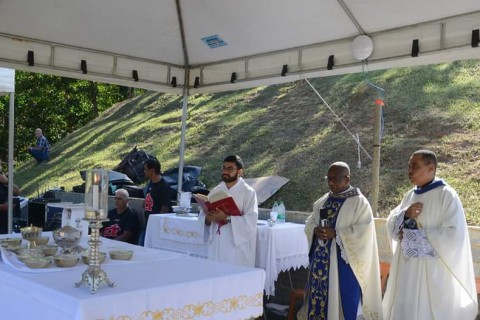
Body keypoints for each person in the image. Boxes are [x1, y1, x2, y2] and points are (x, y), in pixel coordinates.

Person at [382, 150, 477, 319]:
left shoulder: (447, 195)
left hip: (432, 273)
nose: (409, 170)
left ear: (431, 168)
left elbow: (454, 235)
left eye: (415, 166)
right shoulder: (409, 195)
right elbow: (391, 222)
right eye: (409, 166)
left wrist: (417, 238)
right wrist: (404, 215)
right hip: (407, 270)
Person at [298, 161, 382, 320]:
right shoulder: (323, 200)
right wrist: (315, 230)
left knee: (341, 303)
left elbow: (364, 233)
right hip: (320, 264)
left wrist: (336, 234)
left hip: (343, 267)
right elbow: (310, 222)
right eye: (328, 179)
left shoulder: (359, 203)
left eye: (335, 179)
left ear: (347, 179)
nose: (331, 183)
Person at [200, 155, 258, 268]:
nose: (225, 171)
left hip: (236, 247)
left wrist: (226, 218)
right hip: (217, 243)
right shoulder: (216, 190)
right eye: (224, 168)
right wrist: (207, 218)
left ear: (240, 172)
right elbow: (203, 216)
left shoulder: (248, 192)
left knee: (234, 280)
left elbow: (251, 221)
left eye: (230, 168)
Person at [138, 158, 174, 245]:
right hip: (147, 223)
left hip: (156, 226)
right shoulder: (151, 182)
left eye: (146, 169)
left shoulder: (164, 186)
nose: (144, 172)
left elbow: (165, 208)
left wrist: (157, 225)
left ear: (152, 170)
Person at [0, 169, 21, 234]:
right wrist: (2, 207)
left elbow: (17, 192)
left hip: (6, 220)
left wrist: (7, 181)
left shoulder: (2, 177)